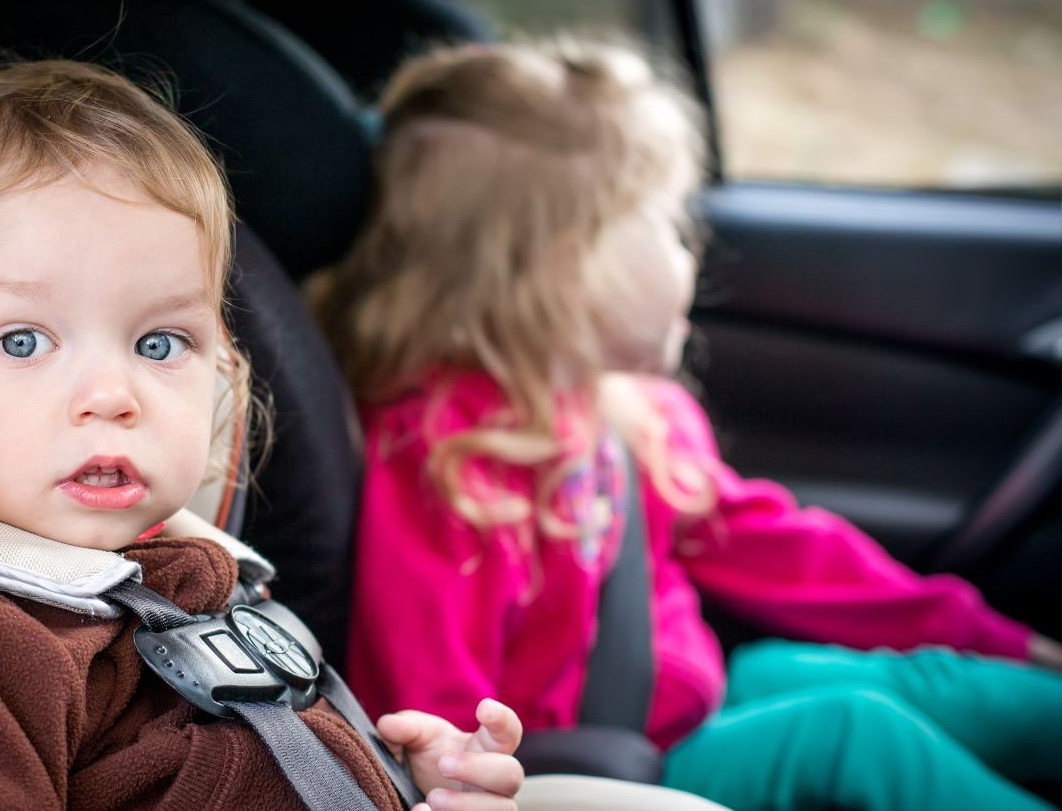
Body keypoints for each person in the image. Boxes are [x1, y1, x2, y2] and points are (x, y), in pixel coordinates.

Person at [314, 37, 1062, 811]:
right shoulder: (447, 464)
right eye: (666, 225)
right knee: (853, 732)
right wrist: (462, 774)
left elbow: (777, 547)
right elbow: (427, 708)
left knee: (923, 682)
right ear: (567, 270)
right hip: (607, 768)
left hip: (688, 693)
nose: (690, 254)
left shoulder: (628, 409)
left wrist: (995, 640)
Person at [0, 57, 529, 810]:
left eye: (158, 344)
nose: (112, 397)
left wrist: (399, 778)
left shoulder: (192, 574)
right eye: (23, 341)